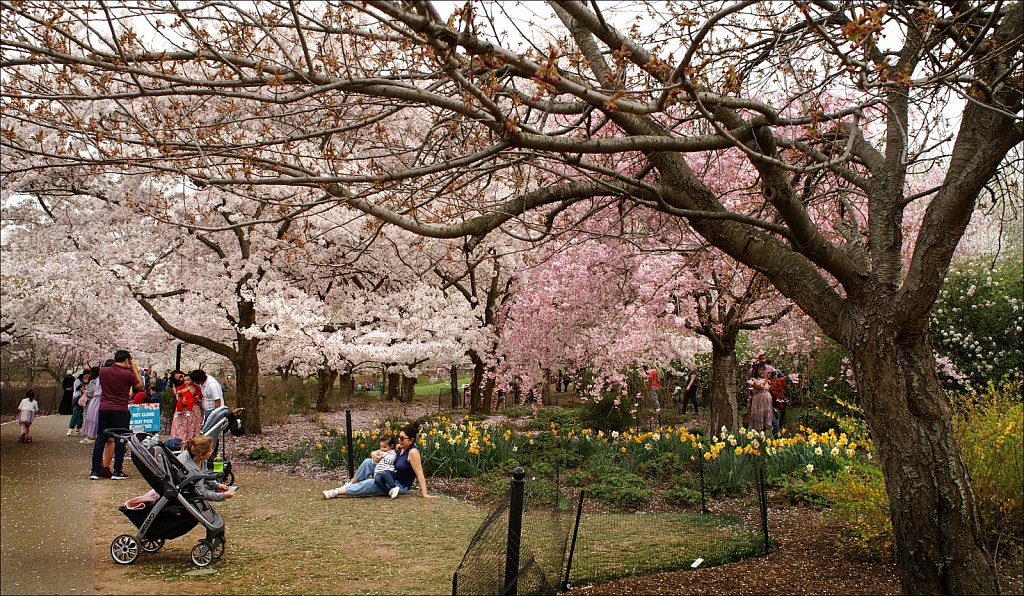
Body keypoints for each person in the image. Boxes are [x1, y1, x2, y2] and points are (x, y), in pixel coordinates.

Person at [323, 422, 438, 500]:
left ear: (411, 440)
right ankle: (351, 483)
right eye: (399, 437)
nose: (399, 440)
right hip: (388, 475)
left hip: (399, 485)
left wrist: (425, 494)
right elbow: (377, 452)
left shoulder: (413, 453)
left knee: (371, 483)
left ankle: (336, 492)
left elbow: (419, 473)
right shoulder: (399, 448)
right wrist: (373, 455)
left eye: (403, 438)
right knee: (368, 462)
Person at [90, 350, 144, 480]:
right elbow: (140, 387)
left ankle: (95, 471)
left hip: (104, 408)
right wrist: (135, 369)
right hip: (120, 409)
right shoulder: (127, 374)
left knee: (100, 439)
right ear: (126, 360)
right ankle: (117, 471)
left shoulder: (102, 371)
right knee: (121, 439)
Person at [177, 436, 237, 501]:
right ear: (201, 454)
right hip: (188, 497)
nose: (212, 452)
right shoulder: (190, 469)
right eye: (210, 450)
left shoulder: (201, 459)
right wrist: (223, 495)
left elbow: (205, 475)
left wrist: (217, 485)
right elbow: (201, 493)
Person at [169, 373, 203, 443]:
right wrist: (187, 389)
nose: (181, 379)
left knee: (193, 428)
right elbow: (178, 396)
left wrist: (195, 397)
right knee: (181, 430)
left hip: (193, 409)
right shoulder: (177, 387)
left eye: (181, 376)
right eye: (178, 379)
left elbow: (198, 395)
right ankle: (178, 445)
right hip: (182, 410)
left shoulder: (195, 385)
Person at [746, 366, 775, 433]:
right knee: (759, 417)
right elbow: (760, 387)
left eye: (763, 369)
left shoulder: (765, 380)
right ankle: (758, 435)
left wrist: (772, 384)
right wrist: (766, 378)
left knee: (765, 418)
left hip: (767, 402)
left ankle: (764, 435)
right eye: (760, 369)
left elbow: (768, 389)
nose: (762, 371)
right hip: (759, 401)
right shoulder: (753, 380)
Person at [67, 369, 89, 436]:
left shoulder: (88, 382)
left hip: (85, 400)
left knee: (81, 415)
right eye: (86, 375)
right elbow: (78, 389)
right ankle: (70, 428)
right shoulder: (78, 381)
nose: (87, 377)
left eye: (88, 376)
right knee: (76, 413)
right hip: (78, 399)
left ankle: (78, 428)